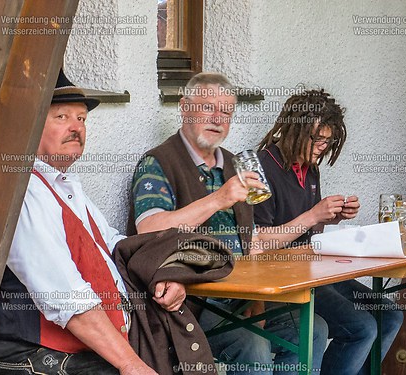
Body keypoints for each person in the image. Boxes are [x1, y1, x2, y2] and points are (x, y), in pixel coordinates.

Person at [129, 72, 328, 374]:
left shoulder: (236, 164)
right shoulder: (158, 162)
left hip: (241, 294)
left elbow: (250, 244)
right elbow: (149, 228)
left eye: (226, 111)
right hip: (191, 298)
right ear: (184, 107)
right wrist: (218, 199)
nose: (217, 118)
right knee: (253, 346)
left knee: (313, 329)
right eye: (208, 107)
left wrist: (258, 303)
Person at [0, 70, 182, 374]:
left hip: (79, 346)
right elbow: (65, 296)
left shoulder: (65, 185)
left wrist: (163, 272)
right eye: (62, 117)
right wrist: (131, 365)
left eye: (82, 119)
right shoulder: (23, 189)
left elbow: (114, 244)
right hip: (31, 356)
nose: (76, 127)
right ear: (31, 125)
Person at [254, 89, 404, 375]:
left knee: (389, 315)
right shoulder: (261, 168)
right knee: (361, 327)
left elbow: (308, 227)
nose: (322, 146)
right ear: (294, 128)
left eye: (328, 140)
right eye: (316, 138)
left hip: (312, 271)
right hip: (282, 280)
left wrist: (332, 217)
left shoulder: (310, 169)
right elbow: (260, 242)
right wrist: (313, 215)